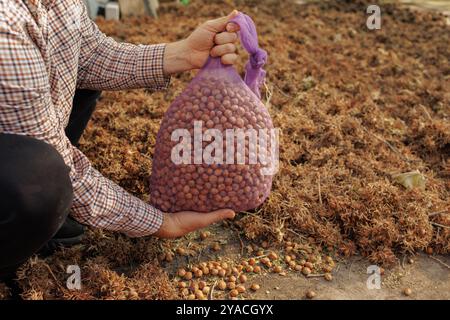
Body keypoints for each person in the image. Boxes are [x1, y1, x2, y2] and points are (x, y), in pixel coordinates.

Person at [0, 0, 239, 281]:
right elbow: (65, 167)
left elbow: (90, 56)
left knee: (74, 76)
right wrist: (161, 222)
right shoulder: (6, 25)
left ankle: (45, 213)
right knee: (40, 175)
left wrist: (184, 54)